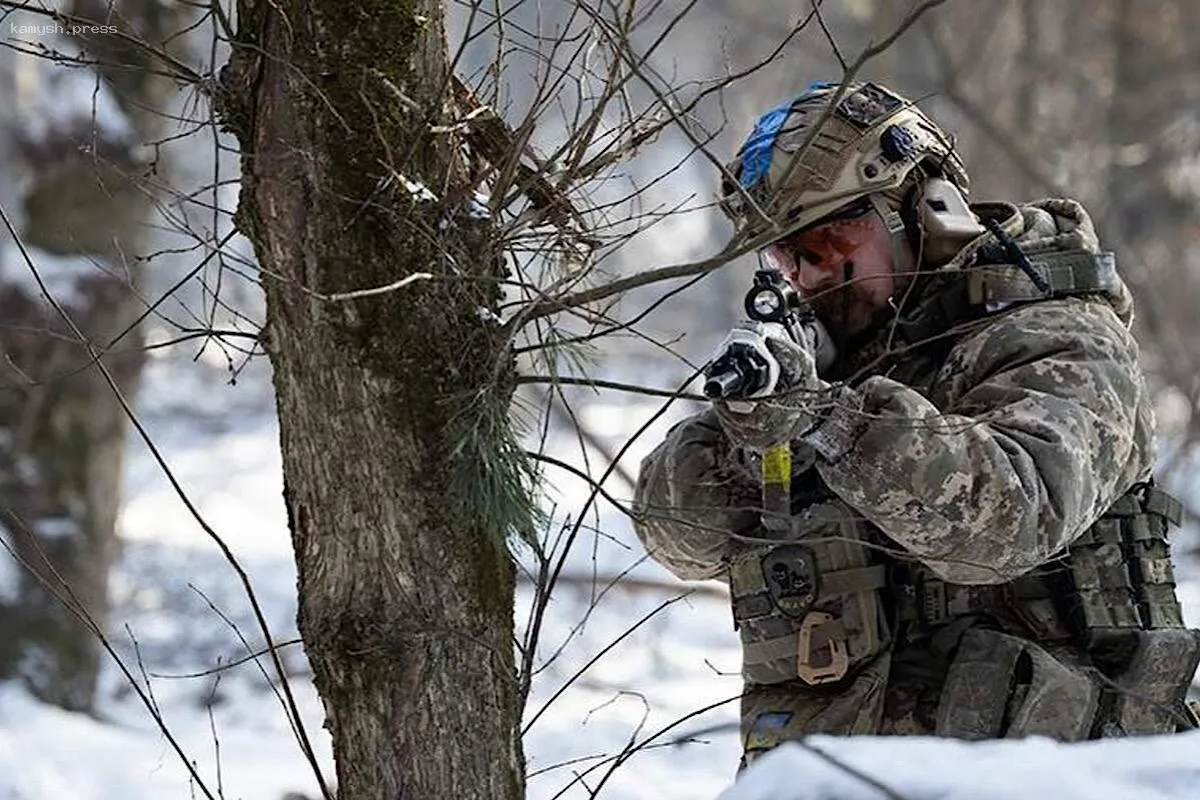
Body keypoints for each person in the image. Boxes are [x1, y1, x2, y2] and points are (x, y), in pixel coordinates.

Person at [631, 81, 1200, 767]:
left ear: (924, 208)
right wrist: (750, 434)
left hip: (1045, 778)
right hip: (839, 777)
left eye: (827, 237)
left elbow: (1009, 520)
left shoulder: (1058, 337)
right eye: (785, 254)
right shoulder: (830, 360)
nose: (806, 274)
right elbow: (676, 536)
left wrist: (829, 420)